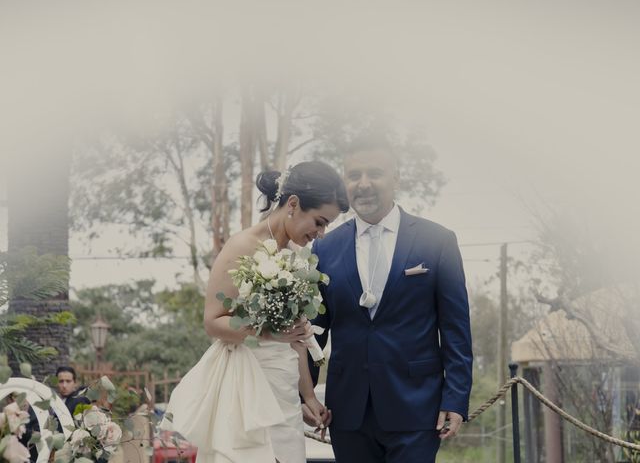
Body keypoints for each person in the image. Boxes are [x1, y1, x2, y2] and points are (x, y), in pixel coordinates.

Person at [164, 161, 349, 463]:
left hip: (284, 388)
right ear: (293, 204)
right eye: (319, 221)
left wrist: (309, 396)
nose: (322, 233)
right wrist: (269, 333)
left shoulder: (297, 255)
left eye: (326, 224)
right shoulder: (242, 246)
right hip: (246, 383)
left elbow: (298, 336)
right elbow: (213, 322)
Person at [310, 137, 473, 463]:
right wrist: (305, 395)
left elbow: (455, 329)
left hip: (416, 407)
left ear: (396, 178)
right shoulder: (324, 247)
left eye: (375, 173)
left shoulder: (437, 241)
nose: (364, 184)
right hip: (347, 410)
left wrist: (455, 399)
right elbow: (313, 331)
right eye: (354, 175)